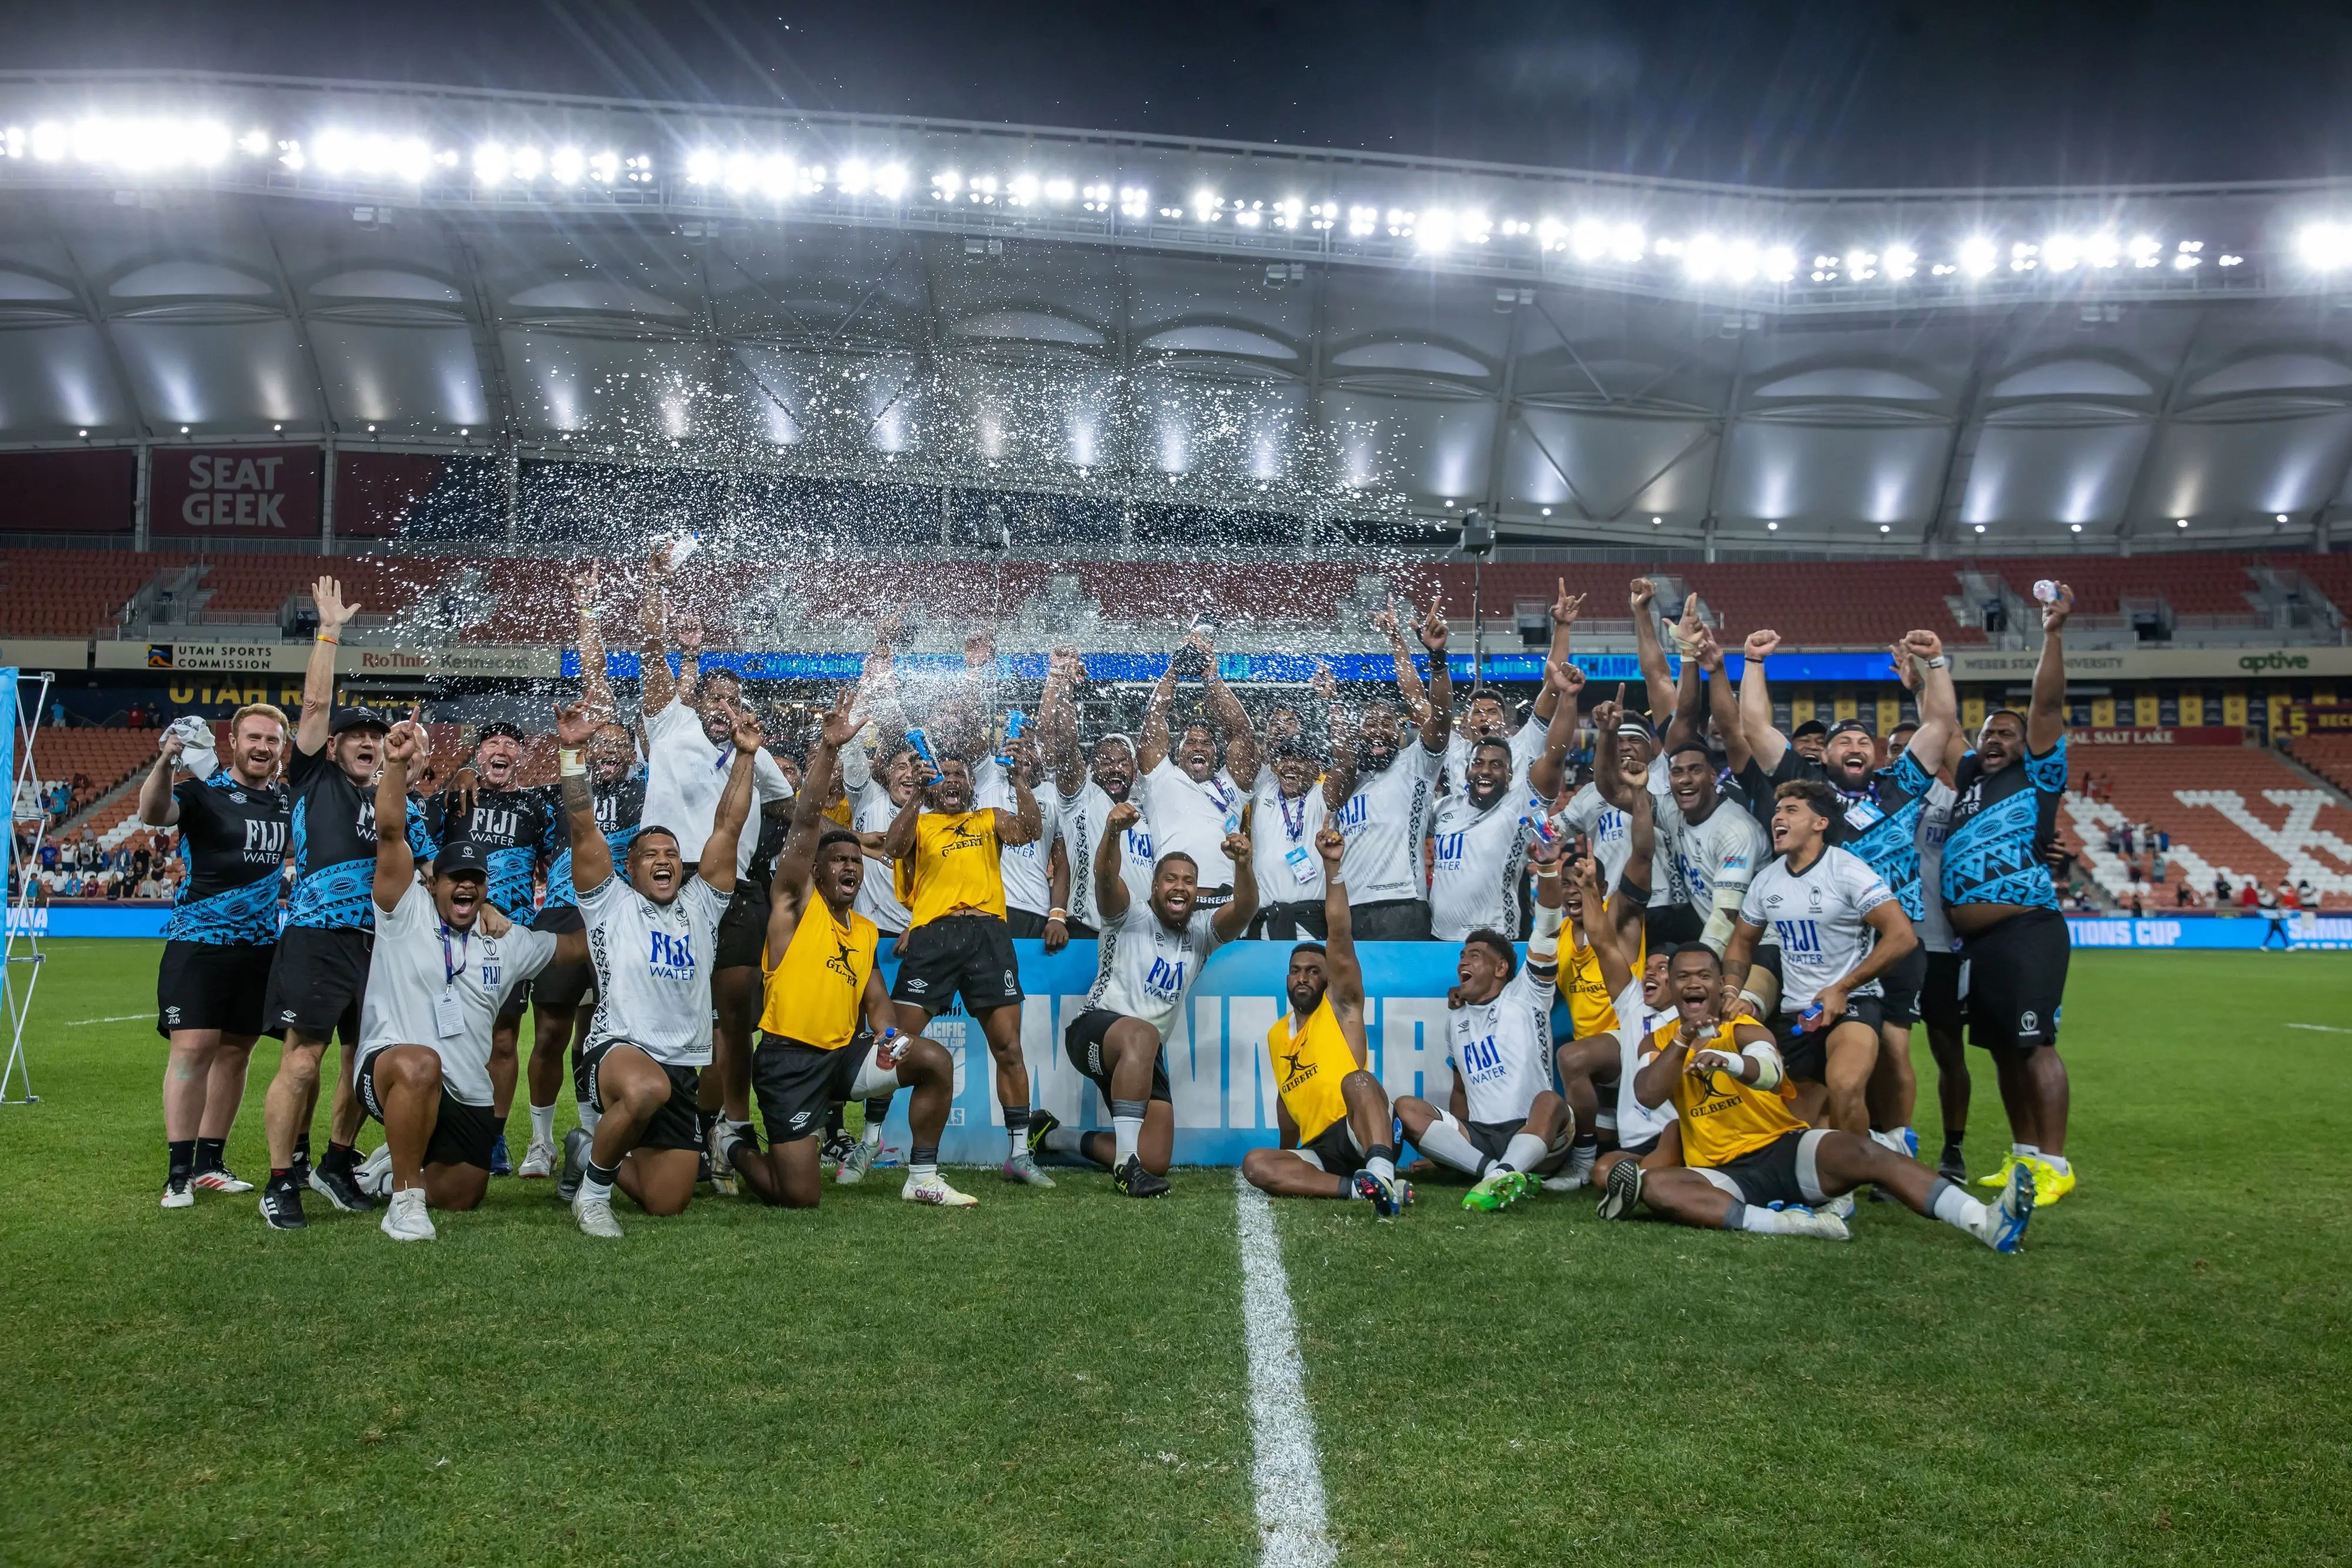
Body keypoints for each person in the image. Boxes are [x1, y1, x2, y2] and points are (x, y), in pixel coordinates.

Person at [1596, 944, 2035, 1251]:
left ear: (1719, 985)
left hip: (1785, 1148)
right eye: (1683, 976)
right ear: (1672, 986)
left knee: (1867, 1151)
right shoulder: (1661, 1040)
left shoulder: (1742, 1027)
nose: (1694, 983)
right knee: (1656, 1185)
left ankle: (1985, 1221)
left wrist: (1727, 1062)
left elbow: (1769, 1072)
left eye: (1704, 975)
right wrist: (1686, 1040)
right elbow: (1648, 1093)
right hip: (1721, 1169)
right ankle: (1792, 1225)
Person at [724, 689, 975, 1209]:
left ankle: (922, 1175)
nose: (848, 868)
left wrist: (890, 1037)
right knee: (799, 1196)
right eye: (837, 861)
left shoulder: (863, 930)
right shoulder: (793, 907)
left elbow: (877, 1001)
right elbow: (806, 820)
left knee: (933, 1059)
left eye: (855, 862)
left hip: (842, 1058)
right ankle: (735, 1145)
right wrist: (828, 750)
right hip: (788, 1061)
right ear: (815, 872)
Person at [1725, 627, 1959, 1168]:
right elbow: (1755, 724)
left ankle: (1894, 1147)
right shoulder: (1808, 789)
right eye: (1843, 741)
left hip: (1894, 937)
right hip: (1820, 942)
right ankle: (1835, 1147)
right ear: (1825, 754)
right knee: (1820, 1058)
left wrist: (1937, 663)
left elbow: (1941, 724)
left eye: (1863, 743)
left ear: (1875, 755)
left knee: (1895, 1049)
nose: (1855, 747)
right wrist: (1753, 662)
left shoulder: (1898, 784)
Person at [350, 718, 576, 1241]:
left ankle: (395, 1166)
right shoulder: (404, 909)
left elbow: (566, 948)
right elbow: (390, 831)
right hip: (397, 1066)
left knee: (464, 1193)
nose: (467, 888)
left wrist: (622, 923)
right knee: (420, 1062)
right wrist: (398, 764)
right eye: (457, 879)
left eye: (477, 881)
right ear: (433, 882)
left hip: (465, 1083)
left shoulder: (505, 936)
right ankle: (405, 1201)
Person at [256, 579, 433, 1230]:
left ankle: (334, 1161)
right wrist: (329, 633)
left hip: (380, 944)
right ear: (332, 746)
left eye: (374, 734)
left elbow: (429, 867)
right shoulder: (314, 778)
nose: (365, 739)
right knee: (304, 1059)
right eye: (353, 734)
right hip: (317, 934)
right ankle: (280, 1179)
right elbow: (313, 701)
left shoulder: (400, 804)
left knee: (365, 1062)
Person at [553, 691, 761, 1238]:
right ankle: (593, 1197)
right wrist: (573, 755)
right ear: (631, 867)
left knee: (668, 1198)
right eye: (651, 853)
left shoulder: (701, 905)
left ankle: (586, 1153)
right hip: (618, 1049)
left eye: (671, 852)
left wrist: (744, 755)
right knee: (646, 1089)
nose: (665, 858)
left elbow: (727, 827)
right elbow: (582, 827)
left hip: (680, 1066)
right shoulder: (609, 903)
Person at [633, 546, 795, 1189]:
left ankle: (729, 1126)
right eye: (714, 695)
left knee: (734, 1016)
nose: (723, 706)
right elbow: (651, 653)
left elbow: (790, 810)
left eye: (734, 699)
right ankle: (671, 1124)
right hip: (669, 883)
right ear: (695, 697)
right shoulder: (668, 722)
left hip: (734, 891)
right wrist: (656, 582)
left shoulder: (755, 754)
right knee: (670, 1007)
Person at [1033, 800, 1258, 1196]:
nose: (1180, 886)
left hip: (1143, 1051)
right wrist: (1114, 833)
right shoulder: (1129, 915)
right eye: (1171, 878)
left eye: (1189, 880)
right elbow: (1105, 877)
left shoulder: (1202, 934)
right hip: (1094, 1030)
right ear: (1155, 887)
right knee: (1142, 1035)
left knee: (1154, 1157)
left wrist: (1243, 865)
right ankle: (1124, 1167)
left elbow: (1245, 908)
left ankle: (1053, 1137)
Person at [1938, 584, 2077, 1206]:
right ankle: (2023, 1160)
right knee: (2001, 1049)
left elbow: (2046, 703)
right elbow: (1942, 731)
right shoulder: (1969, 782)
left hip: (2027, 931)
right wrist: (1923, 672)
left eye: (2007, 734)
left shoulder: (2039, 773)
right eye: (1987, 733)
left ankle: (2054, 1161)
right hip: (1980, 943)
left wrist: (2051, 634)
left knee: (2035, 1043)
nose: (1994, 740)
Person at [517, 567, 644, 1178]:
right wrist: (588, 612)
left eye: (622, 743)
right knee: (548, 1031)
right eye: (605, 743)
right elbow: (595, 684)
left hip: (620, 916)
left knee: (604, 1030)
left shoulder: (649, 786)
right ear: (590, 749)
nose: (614, 750)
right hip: (565, 912)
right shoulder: (573, 787)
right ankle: (540, 1142)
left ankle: (594, 1131)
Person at [880, 734, 1051, 1187]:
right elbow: (894, 849)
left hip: (988, 936)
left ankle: (1019, 1154)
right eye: (945, 775)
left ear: (972, 787)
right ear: (934, 785)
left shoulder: (988, 818)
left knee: (1009, 1048)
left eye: (961, 775)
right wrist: (915, 795)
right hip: (933, 936)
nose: (953, 780)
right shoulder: (921, 822)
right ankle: (870, 1139)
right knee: (895, 1041)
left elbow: (1030, 831)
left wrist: (1021, 782)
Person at [138, 704, 290, 1207]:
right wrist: (166, 762)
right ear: (233, 741)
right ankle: (178, 1172)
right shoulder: (202, 792)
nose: (262, 747)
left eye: (272, 739)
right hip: (199, 943)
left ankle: (210, 1164)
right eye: (254, 737)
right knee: (194, 1048)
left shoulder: (287, 801)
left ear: (281, 748)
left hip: (259, 948)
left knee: (236, 1053)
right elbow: (153, 813)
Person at [1723, 779, 1919, 1147]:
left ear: (1820, 823)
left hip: (1853, 1005)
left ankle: (1849, 1184)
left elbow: (1902, 936)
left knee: (1845, 1085)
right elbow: (1740, 942)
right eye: (1777, 811)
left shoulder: (1846, 870)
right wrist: (1733, 990)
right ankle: (1870, 1148)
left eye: (1791, 810)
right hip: (1797, 1013)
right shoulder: (1767, 881)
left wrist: (1843, 987)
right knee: (1792, 1132)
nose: (1778, 817)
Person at [1392, 817, 1573, 1212]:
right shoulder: (1455, 1019)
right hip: (1483, 1138)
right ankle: (1495, 1173)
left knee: (1551, 1100)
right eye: (1461, 956)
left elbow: (1547, 926)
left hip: (1536, 1131)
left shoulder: (1528, 992)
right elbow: (1460, 1092)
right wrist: (1453, 1151)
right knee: (1406, 1107)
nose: (1463, 962)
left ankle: (1502, 1170)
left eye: (1474, 955)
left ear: (1502, 968)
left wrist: (1547, 867)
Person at [1240, 827, 1408, 1213]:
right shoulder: (1277, 1035)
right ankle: (1358, 1189)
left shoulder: (1342, 1008)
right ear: (1286, 978)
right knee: (1256, 1164)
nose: (1302, 977)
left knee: (1359, 1078)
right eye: (1296, 970)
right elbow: (1287, 1104)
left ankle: (1382, 1173)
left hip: (1360, 1131)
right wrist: (1285, 1155)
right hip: (1321, 1150)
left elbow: (1340, 934)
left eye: (1314, 971)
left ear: (1329, 979)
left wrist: (1333, 867)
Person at [426, 716, 551, 1176]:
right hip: (450, 938)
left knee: (503, 1040)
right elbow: (423, 856)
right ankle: (441, 1126)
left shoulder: (538, 805)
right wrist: (457, 773)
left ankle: (494, 1139)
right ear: (478, 754)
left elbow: (558, 857)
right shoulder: (454, 799)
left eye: (511, 744)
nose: (501, 750)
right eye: (492, 743)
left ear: (522, 756)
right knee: (445, 1036)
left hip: (506, 939)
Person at [1322, 596, 1452, 940]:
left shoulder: (1416, 764)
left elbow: (1436, 716)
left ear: (1401, 732)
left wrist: (1433, 658)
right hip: (1350, 909)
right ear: (1359, 731)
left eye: (1387, 723)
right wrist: (1334, 701)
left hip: (1402, 904)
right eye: (1370, 723)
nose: (1378, 729)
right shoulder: (1351, 779)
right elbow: (1343, 754)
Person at [1426, 656, 1578, 943]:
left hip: (1498, 915)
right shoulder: (1448, 795)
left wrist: (1564, 695)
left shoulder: (1520, 780)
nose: (1485, 769)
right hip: (1441, 934)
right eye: (1477, 712)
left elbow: (1555, 756)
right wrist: (1434, 657)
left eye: (1496, 765)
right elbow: (1430, 711)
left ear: (1511, 772)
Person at [1136, 627, 1257, 905]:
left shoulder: (1232, 786)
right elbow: (1155, 717)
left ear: (1217, 753)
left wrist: (1211, 676)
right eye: (1190, 743)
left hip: (1225, 901)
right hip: (1169, 900)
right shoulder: (1162, 778)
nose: (1199, 747)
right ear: (1177, 753)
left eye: (1206, 743)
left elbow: (1241, 733)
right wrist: (1177, 667)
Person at [1041, 648, 1157, 938]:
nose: (1114, 768)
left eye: (1122, 762)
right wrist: (1064, 686)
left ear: (1133, 770)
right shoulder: (1083, 797)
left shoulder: (1146, 809)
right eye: (1106, 762)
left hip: (1141, 931)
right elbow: (1066, 743)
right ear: (1092, 767)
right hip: (1090, 927)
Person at [2260, 881, 2293, 950]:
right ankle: (2288, 946)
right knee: (2281, 933)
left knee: (2272, 933)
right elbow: (2277, 912)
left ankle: (2264, 946)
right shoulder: (2276, 905)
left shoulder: (2277, 905)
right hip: (2275, 920)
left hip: (2275, 920)